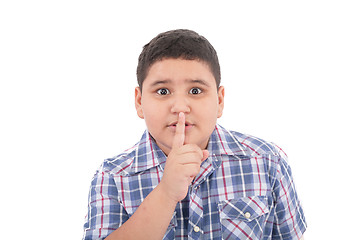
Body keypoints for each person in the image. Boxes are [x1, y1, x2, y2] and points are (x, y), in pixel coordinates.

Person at [83, 29, 307, 240]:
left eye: (195, 91)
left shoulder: (267, 160)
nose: (180, 106)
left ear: (219, 101)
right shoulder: (112, 176)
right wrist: (166, 192)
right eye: (163, 91)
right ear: (139, 101)